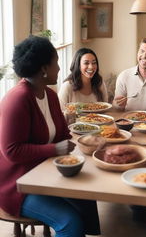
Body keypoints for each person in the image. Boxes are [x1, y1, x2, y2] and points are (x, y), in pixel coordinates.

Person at [0, 36, 100, 237]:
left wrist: (90, 141)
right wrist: (54, 149)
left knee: (88, 196)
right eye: (56, 63)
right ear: (44, 69)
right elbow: (11, 151)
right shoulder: (16, 99)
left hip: (44, 171)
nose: (60, 68)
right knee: (70, 222)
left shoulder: (50, 95)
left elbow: (63, 135)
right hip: (17, 184)